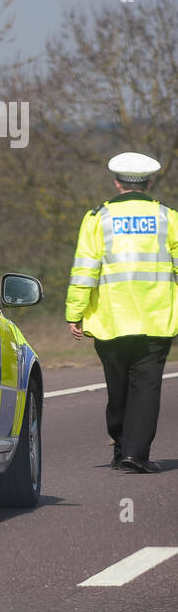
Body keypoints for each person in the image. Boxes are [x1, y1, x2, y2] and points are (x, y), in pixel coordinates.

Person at [66, 153, 178, 473]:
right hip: (157, 317)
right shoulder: (168, 217)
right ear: (150, 183)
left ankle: (122, 448)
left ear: (117, 183)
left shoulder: (97, 218)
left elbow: (85, 270)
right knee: (146, 387)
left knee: (117, 387)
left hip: (110, 319)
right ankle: (135, 453)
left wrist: (75, 312)